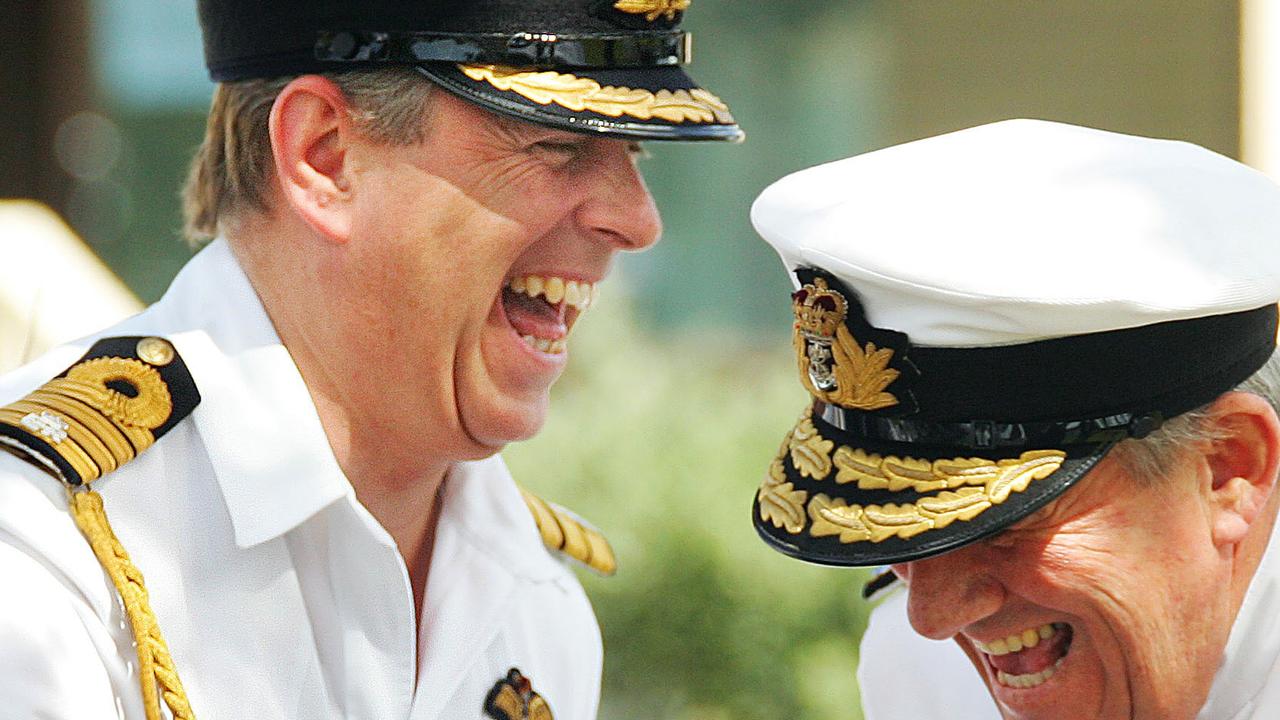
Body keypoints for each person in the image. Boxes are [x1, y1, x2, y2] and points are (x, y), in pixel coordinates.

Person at [0, 1, 740, 718]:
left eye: (632, 150)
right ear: (326, 157)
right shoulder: (39, 545)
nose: (637, 220)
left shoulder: (535, 592)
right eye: (557, 144)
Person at [747, 119, 1280, 720]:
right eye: (902, 532)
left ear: (1228, 468)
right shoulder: (926, 678)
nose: (933, 617)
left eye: (1001, 524)